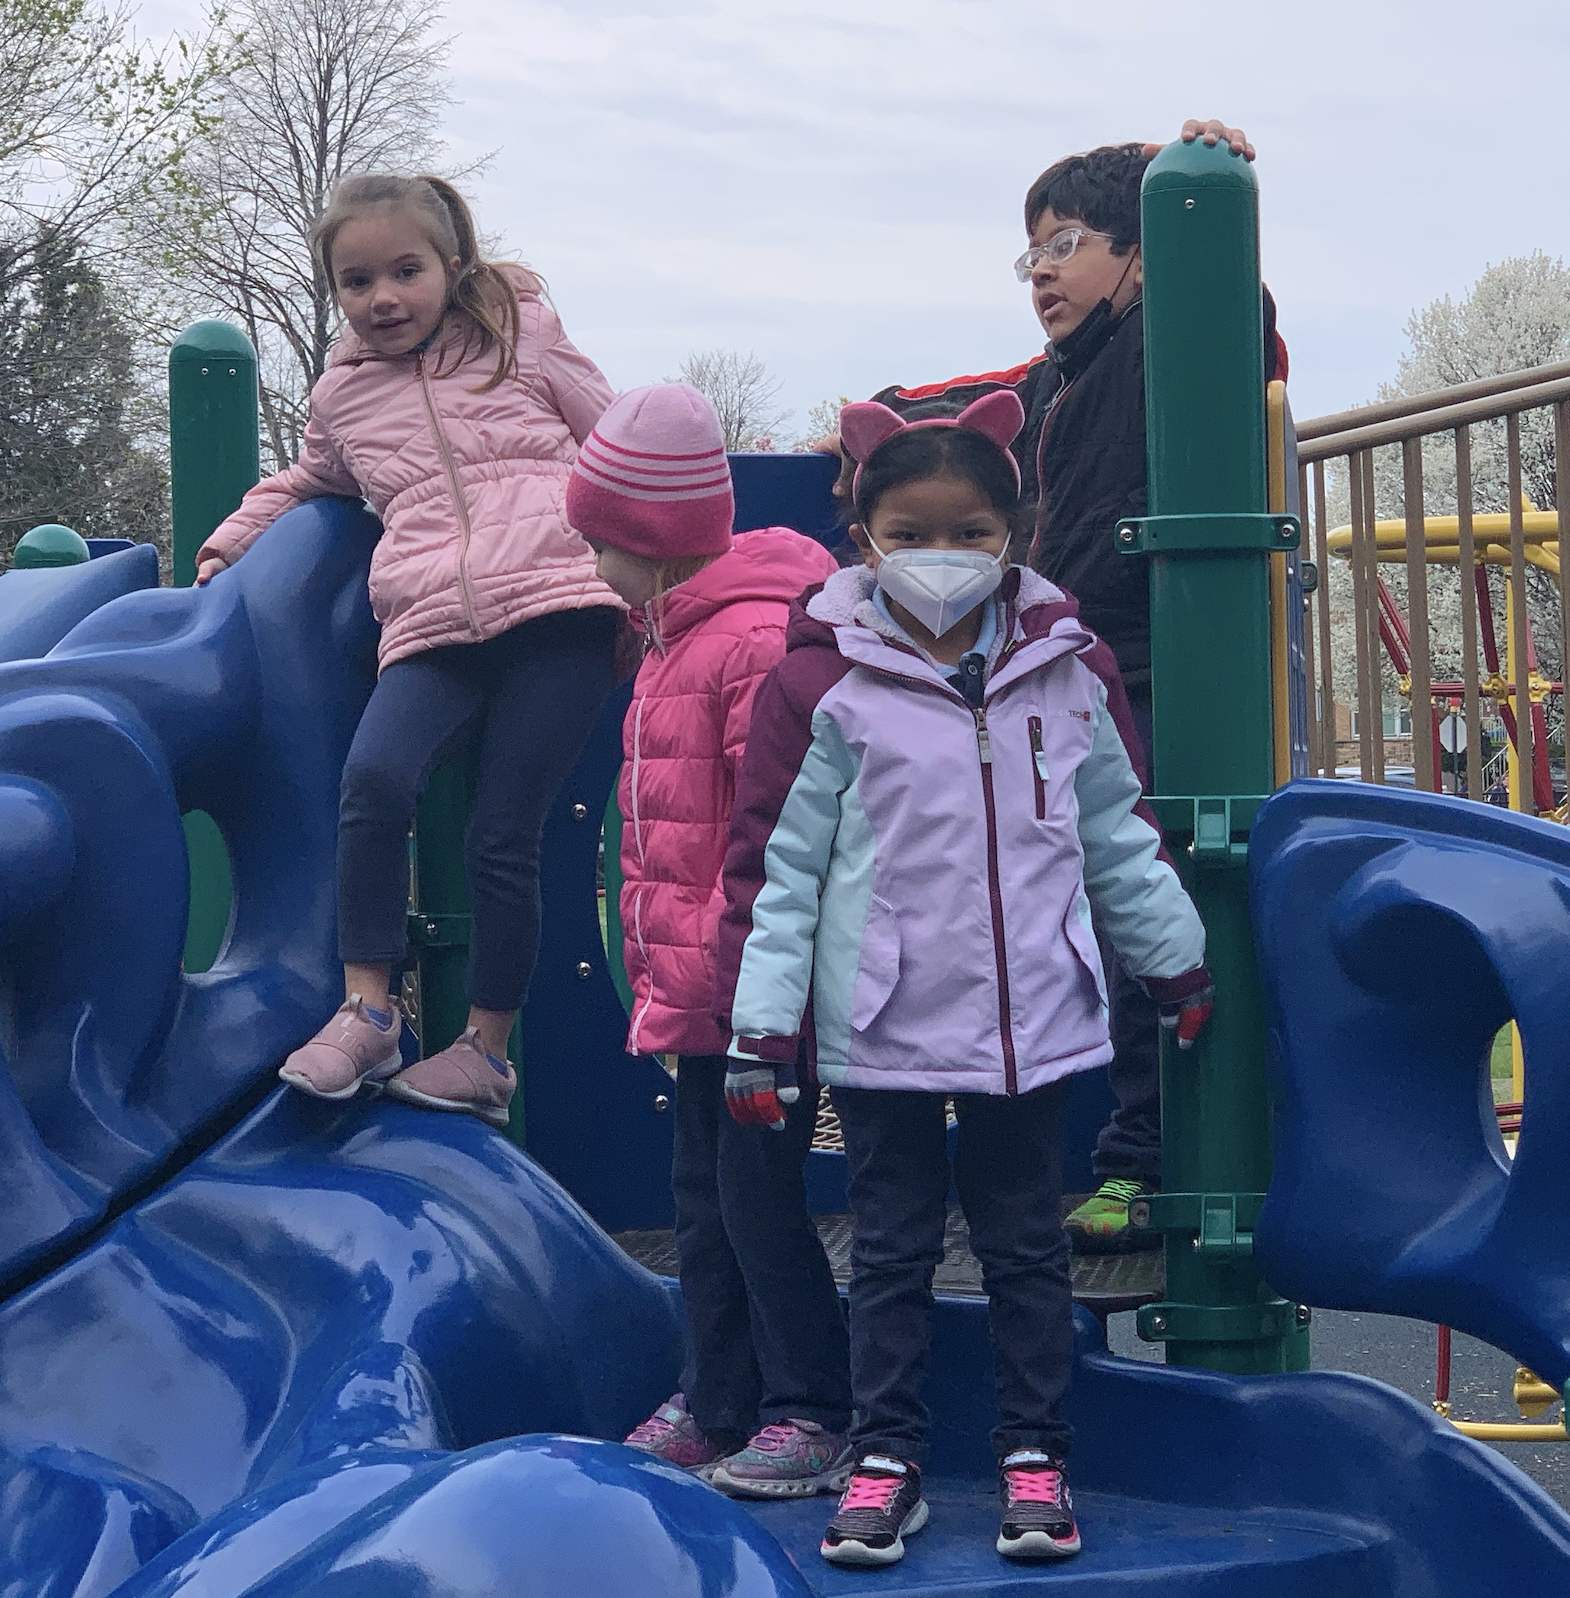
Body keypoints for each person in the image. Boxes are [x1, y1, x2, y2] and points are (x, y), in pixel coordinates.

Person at [718, 394, 1213, 1567]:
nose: (943, 555)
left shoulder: (1068, 667)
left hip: (1027, 1022)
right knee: (888, 1246)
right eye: (911, 530)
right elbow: (778, 870)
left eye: (971, 532)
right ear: (864, 535)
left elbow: (1117, 833)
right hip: (886, 1024)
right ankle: (885, 1454)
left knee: (1026, 1246)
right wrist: (759, 1031)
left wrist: (1175, 961)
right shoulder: (821, 685)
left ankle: (1034, 1452)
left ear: (1013, 533)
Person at [848, 122, 1283, 1253]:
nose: (1041, 268)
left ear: (1141, 256)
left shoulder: (1163, 338)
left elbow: (1244, 314)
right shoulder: (1055, 382)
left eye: (1069, 242)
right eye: (1028, 251)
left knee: (1146, 904)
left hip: (1164, 661)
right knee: (1087, 902)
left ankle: (1147, 1160)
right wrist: (882, 413)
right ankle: (1114, 1142)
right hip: (1081, 668)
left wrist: (1194, 177)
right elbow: (963, 397)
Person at [195, 173, 623, 1123]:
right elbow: (308, 481)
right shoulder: (343, 393)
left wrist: (663, 571)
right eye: (356, 281)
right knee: (373, 783)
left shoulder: (520, 333)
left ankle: (484, 1050)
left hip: (559, 604)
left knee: (499, 832)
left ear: (451, 264)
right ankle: (371, 1010)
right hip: (432, 619)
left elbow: (615, 439)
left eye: (405, 271)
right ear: (334, 291)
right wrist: (230, 542)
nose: (383, 297)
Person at [569, 384, 855, 1497]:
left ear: (648, 541)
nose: (592, 566)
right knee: (704, 1195)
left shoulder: (746, 642)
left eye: (601, 543)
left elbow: (777, 817)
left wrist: (762, 993)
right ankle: (719, 1393)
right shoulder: (670, 639)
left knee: (759, 1197)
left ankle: (810, 1404)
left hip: (755, 992)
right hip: (699, 991)